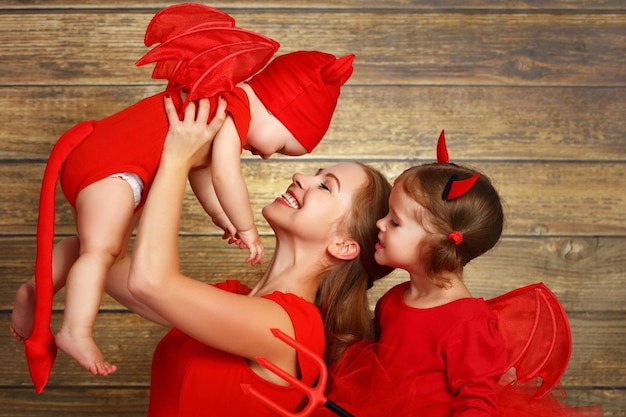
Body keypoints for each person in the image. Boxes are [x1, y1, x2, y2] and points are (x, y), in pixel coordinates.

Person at [10, 3, 355, 385]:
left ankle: (36, 289)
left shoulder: (219, 108)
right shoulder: (232, 111)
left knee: (96, 249)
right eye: (286, 145)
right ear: (278, 111)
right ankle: (75, 329)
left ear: (345, 245)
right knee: (100, 252)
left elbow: (201, 173)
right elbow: (225, 176)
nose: (273, 155)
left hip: (105, 160)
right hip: (115, 168)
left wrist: (221, 217)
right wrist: (247, 227)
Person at [15, 94, 395, 414]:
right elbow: (97, 257)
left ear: (343, 246)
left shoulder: (292, 328)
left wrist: (177, 159)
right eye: (316, 172)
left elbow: (150, 281)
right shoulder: (231, 296)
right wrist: (36, 291)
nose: (301, 178)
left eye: (326, 186)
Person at [314, 132, 603, 417]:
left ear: (439, 239)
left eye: (395, 221)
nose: (379, 223)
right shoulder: (393, 299)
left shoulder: (468, 323)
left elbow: (476, 403)